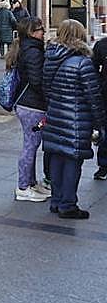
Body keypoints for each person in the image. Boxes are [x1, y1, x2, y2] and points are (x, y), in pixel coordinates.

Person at [42, 19, 104, 219]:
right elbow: (93, 97)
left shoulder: (50, 57)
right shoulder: (83, 62)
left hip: (55, 114)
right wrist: (100, 123)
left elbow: (46, 88)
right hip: (76, 119)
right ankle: (68, 204)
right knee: (72, 161)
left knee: (57, 157)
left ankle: (57, 200)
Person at [8, 16, 51, 202]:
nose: (44, 32)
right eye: (40, 29)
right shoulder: (33, 51)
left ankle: (31, 183)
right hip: (32, 106)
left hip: (27, 104)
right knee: (30, 146)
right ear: (32, 32)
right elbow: (37, 80)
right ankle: (23, 187)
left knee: (31, 144)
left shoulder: (26, 47)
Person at [90, 21, 107, 181]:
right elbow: (94, 67)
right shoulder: (102, 45)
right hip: (105, 95)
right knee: (105, 131)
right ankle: (103, 165)